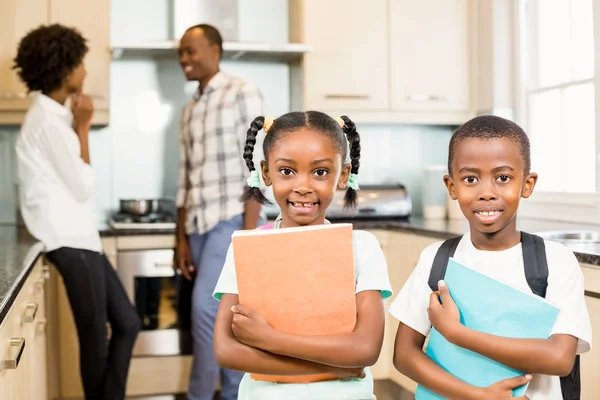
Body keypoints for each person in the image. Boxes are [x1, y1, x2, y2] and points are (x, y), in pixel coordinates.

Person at [388, 115, 592, 399]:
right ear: (452, 187)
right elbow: (404, 355)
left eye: (503, 178)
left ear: (527, 184)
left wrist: (457, 333)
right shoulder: (437, 259)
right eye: (470, 179)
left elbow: (559, 359)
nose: (486, 193)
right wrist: (478, 396)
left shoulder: (555, 261)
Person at [212, 111, 393, 400]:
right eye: (287, 171)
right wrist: (337, 367)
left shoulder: (361, 247)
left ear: (343, 175)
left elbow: (365, 350)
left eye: (320, 172)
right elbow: (225, 350)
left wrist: (270, 339)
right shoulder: (248, 248)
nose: (303, 186)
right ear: (266, 172)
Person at [13, 24, 141, 400]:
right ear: (64, 67)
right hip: (67, 240)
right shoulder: (48, 122)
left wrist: (76, 123)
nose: (85, 70)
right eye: (81, 62)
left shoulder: (54, 117)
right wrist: (83, 126)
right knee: (95, 337)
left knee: (128, 323)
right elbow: (83, 186)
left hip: (81, 239)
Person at [174, 23, 265, 400]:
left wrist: (247, 234)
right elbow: (185, 175)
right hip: (197, 223)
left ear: (214, 50)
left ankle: (202, 396)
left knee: (207, 313)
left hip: (230, 218)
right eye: (180, 53)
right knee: (224, 314)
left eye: (190, 51)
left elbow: (258, 164)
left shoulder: (242, 92)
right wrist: (179, 239)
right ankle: (235, 394)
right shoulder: (190, 108)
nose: (184, 59)